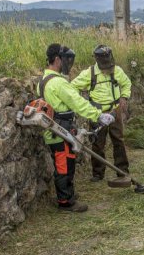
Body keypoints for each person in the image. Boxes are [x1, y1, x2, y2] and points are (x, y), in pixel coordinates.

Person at [38, 43, 115, 213]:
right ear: (57, 59)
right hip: (59, 130)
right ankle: (66, 202)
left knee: (66, 162)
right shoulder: (58, 83)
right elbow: (78, 102)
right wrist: (98, 115)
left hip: (56, 130)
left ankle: (68, 193)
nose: (67, 63)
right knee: (64, 166)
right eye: (65, 60)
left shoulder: (44, 80)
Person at [72, 44, 132, 183]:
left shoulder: (117, 71)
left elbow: (127, 84)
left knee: (118, 140)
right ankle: (98, 173)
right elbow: (73, 87)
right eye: (105, 67)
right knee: (98, 143)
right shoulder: (89, 74)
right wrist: (84, 104)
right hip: (96, 114)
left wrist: (124, 97)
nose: (108, 69)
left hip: (115, 110)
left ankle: (122, 170)